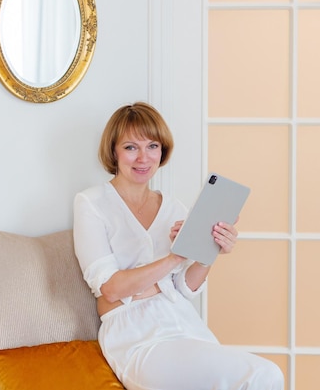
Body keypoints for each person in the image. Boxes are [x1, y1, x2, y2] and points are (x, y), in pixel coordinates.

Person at [73, 102, 284, 390]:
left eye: (152, 146)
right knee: (264, 375)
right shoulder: (91, 203)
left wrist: (209, 250)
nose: (143, 158)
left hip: (185, 326)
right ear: (114, 151)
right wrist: (174, 258)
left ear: (162, 151)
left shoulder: (174, 208)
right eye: (131, 147)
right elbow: (111, 289)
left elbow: (185, 288)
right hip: (136, 337)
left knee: (265, 375)